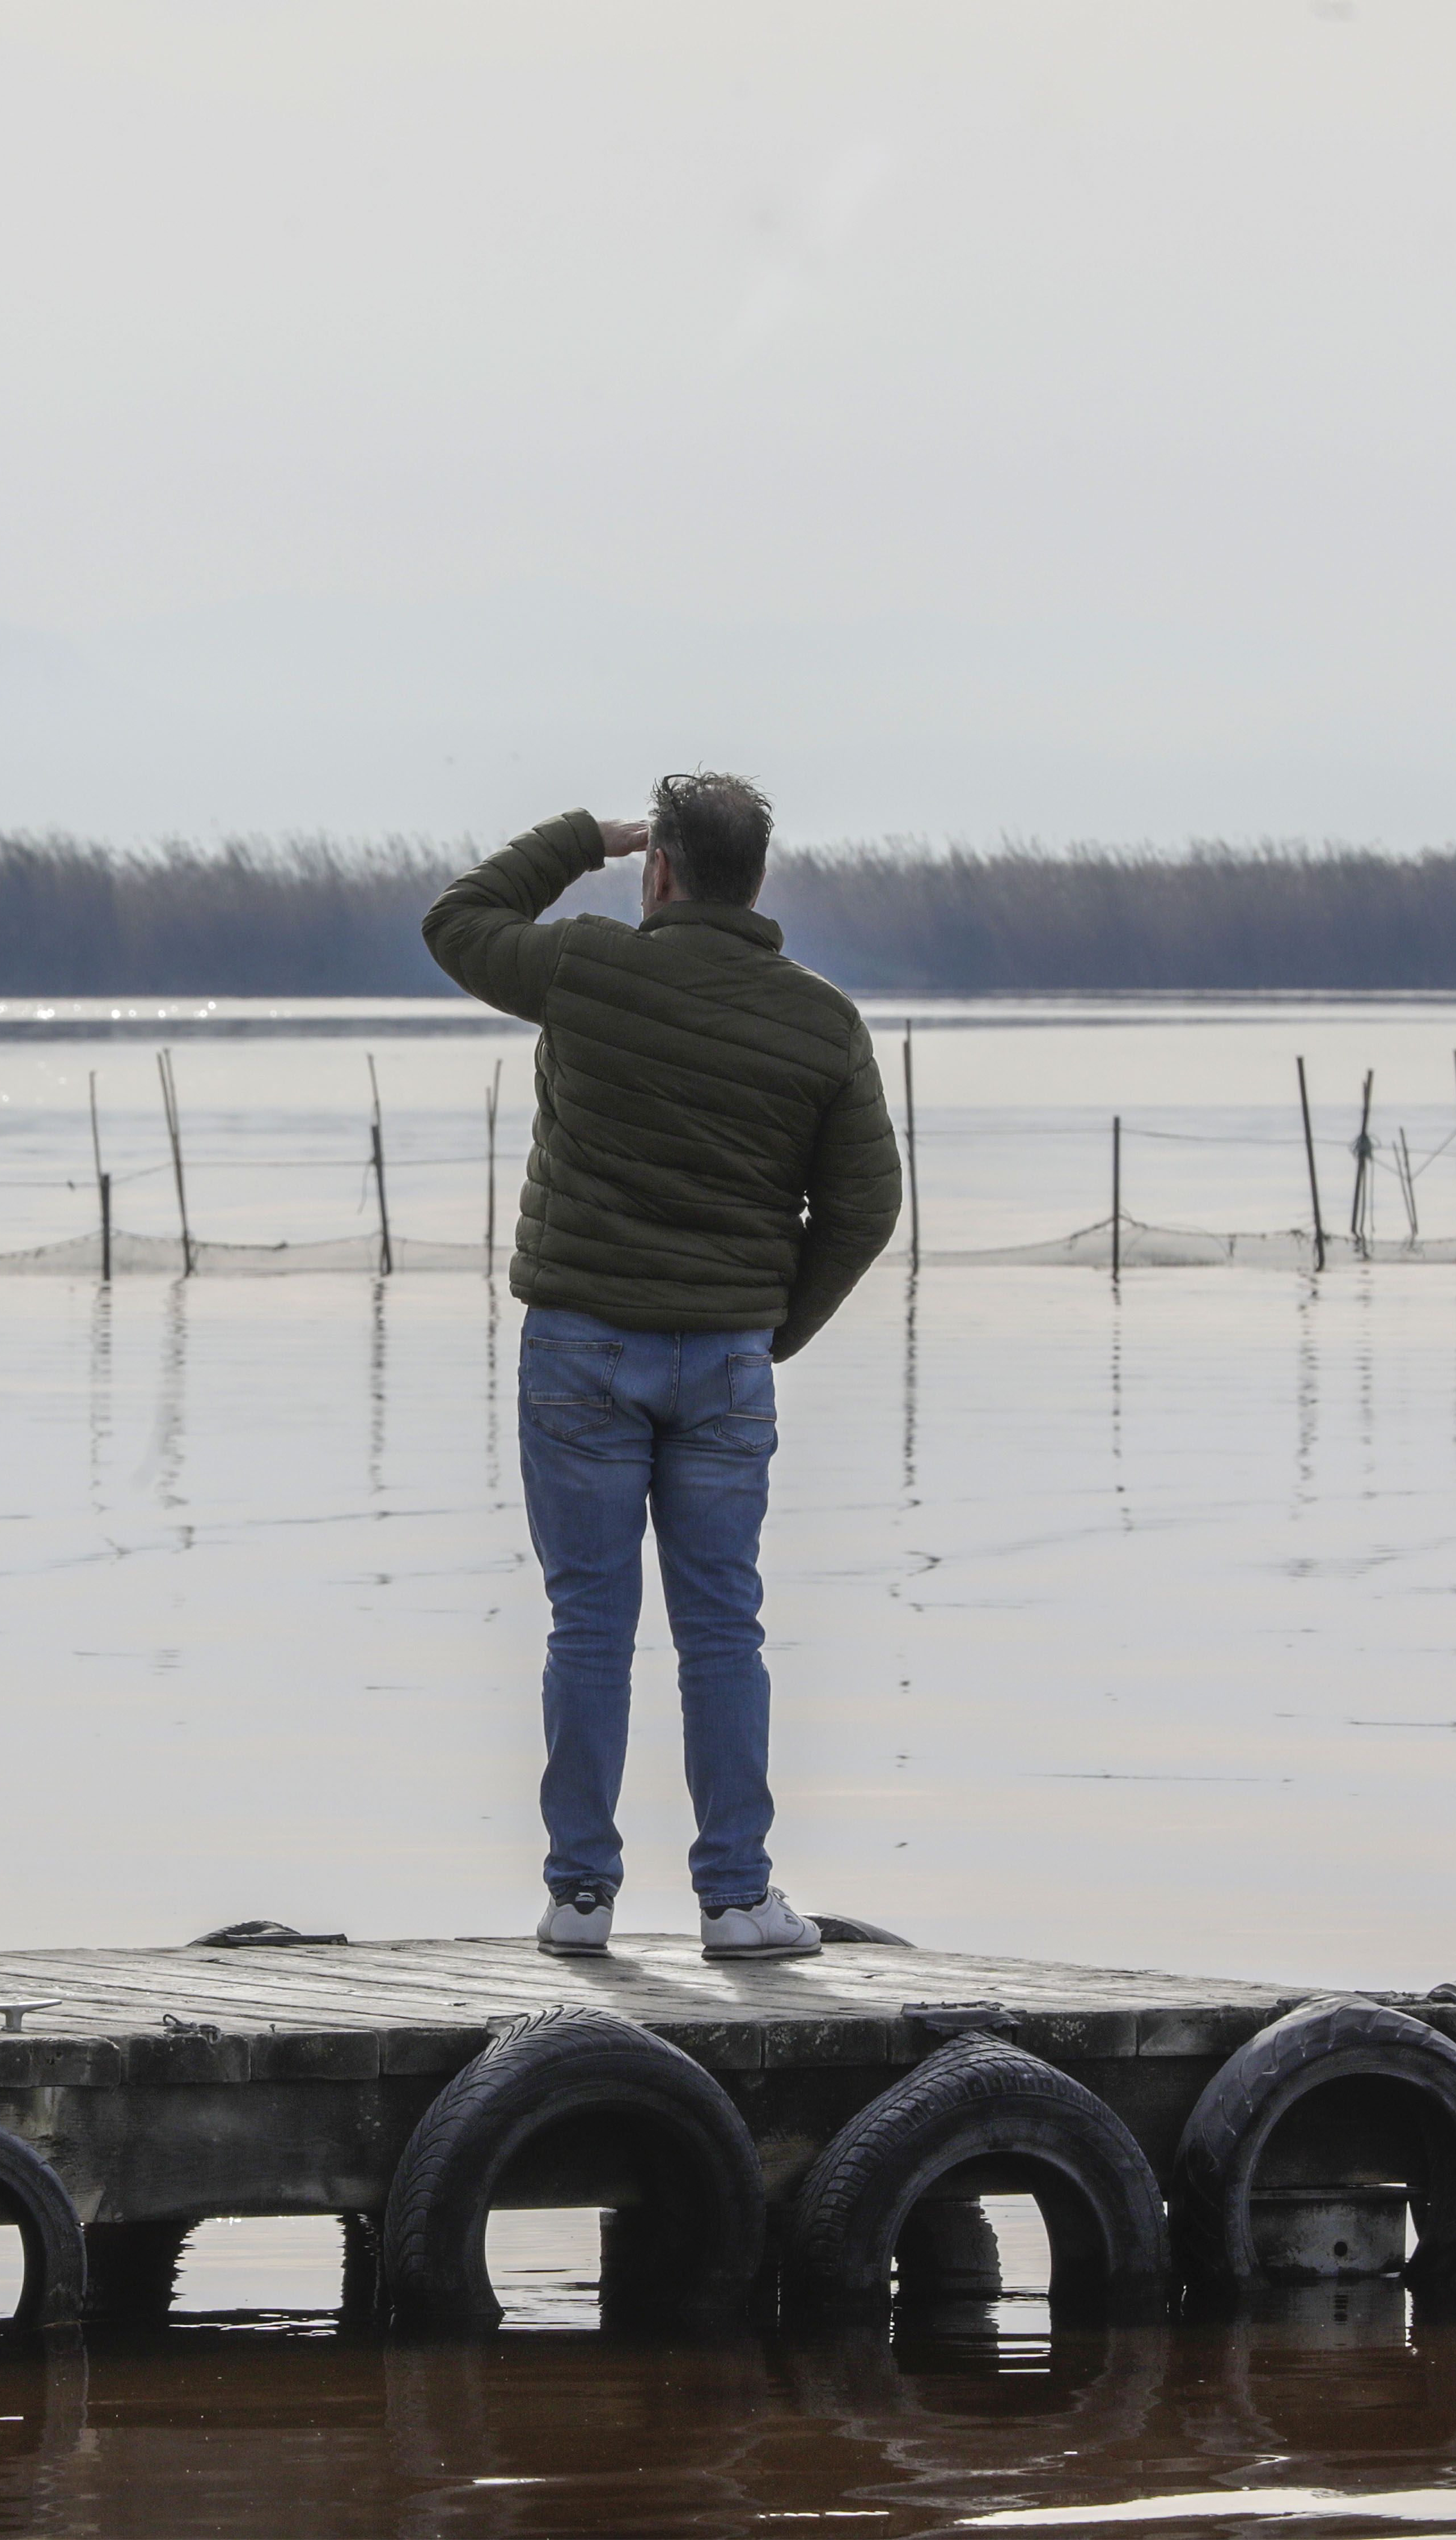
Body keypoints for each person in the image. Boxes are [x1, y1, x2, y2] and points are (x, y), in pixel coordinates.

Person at [425, 773, 902, 1962]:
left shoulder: (591, 967)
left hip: (580, 1345)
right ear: (756, 878)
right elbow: (866, 1204)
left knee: (590, 1625)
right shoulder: (821, 1021)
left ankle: (581, 1898)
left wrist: (581, 837)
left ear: (661, 869)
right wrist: (772, 1324)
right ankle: (738, 1898)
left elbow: (459, 919)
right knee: (722, 1629)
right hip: (729, 1360)